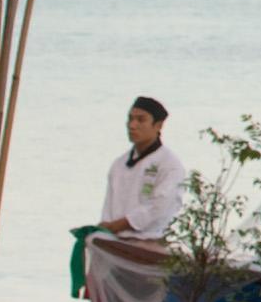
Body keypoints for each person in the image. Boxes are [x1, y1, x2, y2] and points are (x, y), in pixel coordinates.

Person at [71, 94, 183, 291]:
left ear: (158, 126)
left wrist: (116, 225)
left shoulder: (169, 164)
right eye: (130, 119)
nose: (132, 125)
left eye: (141, 120)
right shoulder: (119, 164)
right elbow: (109, 206)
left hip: (148, 245)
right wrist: (106, 229)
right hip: (115, 244)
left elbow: (158, 207)